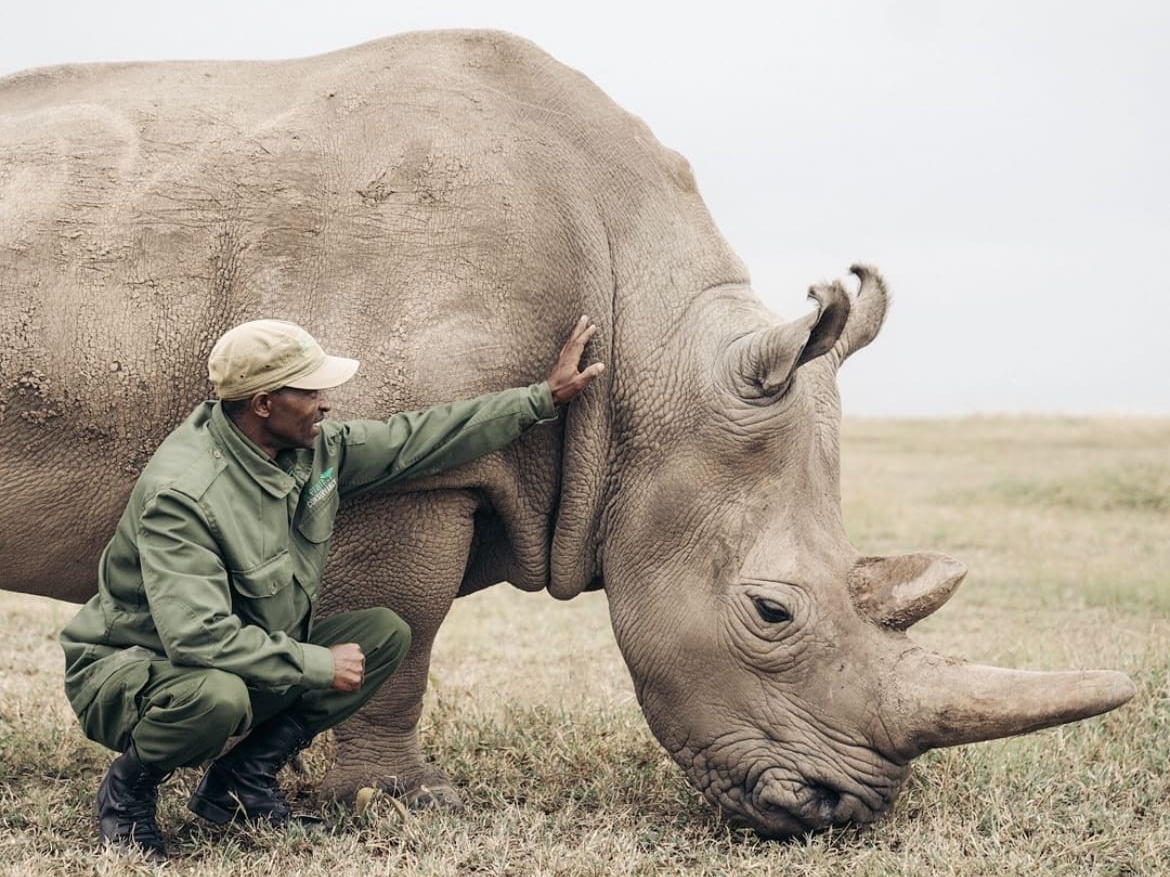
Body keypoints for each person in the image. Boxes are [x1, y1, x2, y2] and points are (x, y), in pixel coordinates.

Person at [59, 316, 604, 861]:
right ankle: (128, 790)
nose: (325, 403)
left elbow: (420, 437)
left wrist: (541, 399)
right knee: (215, 698)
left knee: (384, 635)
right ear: (264, 403)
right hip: (134, 671)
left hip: (233, 657)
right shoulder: (183, 495)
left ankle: (239, 781)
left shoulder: (309, 450)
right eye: (310, 390)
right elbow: (198, 640)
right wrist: (318, 665)